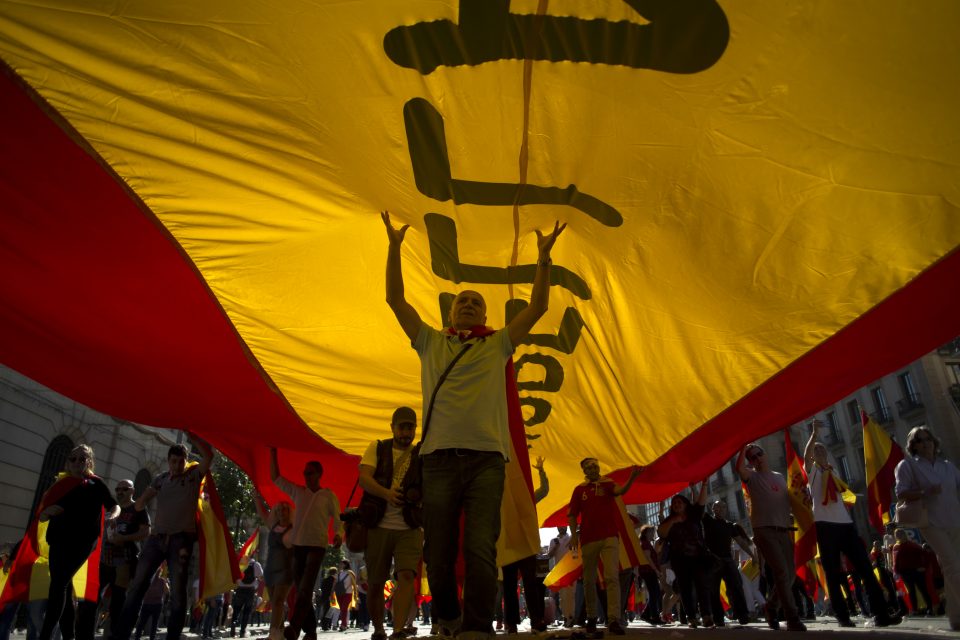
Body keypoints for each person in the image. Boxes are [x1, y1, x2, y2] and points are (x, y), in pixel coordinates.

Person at [381, 211, 566, 640]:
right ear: (450, 311)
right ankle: (448, 619)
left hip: (487, 462)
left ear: (484, 314)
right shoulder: (430, 341)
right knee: (438, 553)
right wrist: (394, 248)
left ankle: (478, 628)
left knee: (482, 548)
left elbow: (538, 307)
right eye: (462, 301)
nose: (468, 305)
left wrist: (543, 259)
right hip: (438, 462)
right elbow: (395, 300)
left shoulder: (497, 343)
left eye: (476, 302)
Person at [114, 436, 214, 640]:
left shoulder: (193, 475)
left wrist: (192, 434)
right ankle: (121, 634)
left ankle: (173, 636)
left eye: (180, 461)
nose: (176, 466)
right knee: (137, 586)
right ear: (168, 461)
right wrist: (142, 498)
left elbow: (209, 456)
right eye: (173, 461)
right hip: (156, 539)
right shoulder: (160, 479)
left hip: (181, 541)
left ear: (186, 461)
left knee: (177, 592)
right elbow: (140, 504)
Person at [802, 420, 900, 627]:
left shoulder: (834, 471)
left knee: (865, 568)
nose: (819, 451)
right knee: (832, 573)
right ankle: (842, 616)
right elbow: (806, 455)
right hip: (825, 525)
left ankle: (881, 614)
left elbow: (842, 495)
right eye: (816, 450)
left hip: (845, 524)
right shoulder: (813, 472)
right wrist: (814, 435)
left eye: (822, 449)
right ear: (812, 457)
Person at [37, 444, 120, 640]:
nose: (76, 462)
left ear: (89, 462)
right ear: (68, 462)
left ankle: (45, 635)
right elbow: (41, 514)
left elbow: (113, 505)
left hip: (82, 543)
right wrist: (47, 512)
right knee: (62, 587)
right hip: (57, 540)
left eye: (82, 459)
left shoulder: (95, 483)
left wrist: (113, 515)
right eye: (73, 458)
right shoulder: (60, 484)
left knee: (58, 585)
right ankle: (69, 635)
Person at [358, 406, 423, 640]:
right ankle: (379, 629)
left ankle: (397, 630)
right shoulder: (377, 448)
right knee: (376, 583)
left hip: (410, 527)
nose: (406, 432)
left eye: (410, 428)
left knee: (407, 576)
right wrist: (387, 494)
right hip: (378, 526)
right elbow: (364, 478)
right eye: (402, 427)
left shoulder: (421, 454)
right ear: (392, 427)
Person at [270, 449, 343, 640]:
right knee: (302, 589)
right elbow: (276, 478)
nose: (306, 476)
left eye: (309, 473)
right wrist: (272, 452)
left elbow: (338, 519)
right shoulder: (298, 491)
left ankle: (293, 628)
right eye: (304, 473)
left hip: (317, 546)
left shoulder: (328, 495)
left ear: (319, 474)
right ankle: (311, 632)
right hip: (298, 546)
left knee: (306, 586)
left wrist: (338, 534)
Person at [895, 425, 960, 630]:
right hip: (930, 522)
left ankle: (956, 617)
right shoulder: (908, 465)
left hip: (955, 520)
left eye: (928, 439)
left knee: (950, 568)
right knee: (953, 565)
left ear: (934, 441)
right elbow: (901, 492)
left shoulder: (947, 466)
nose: (925, 443)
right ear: (913, 446)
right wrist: (925, 492)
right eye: (919, 440)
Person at [736, 443, 806, 632]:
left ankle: (771, 607)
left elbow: (789, 501)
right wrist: (743, 446)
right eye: (752, 457)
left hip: (784, 529)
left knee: (790, 575)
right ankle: (792, 618)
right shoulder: (751, 476)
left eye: (759, 454)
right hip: (764, 530)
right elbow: (739, 468)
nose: (757, 458)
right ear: (750, 462)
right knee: (781, 572)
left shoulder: (780, 477)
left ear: (765, 454)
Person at [567, 457, 641, 635]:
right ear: (584, 471)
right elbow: (572, 514)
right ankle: (591, 617)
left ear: (598, 467)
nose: (592, 469)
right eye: (588, 467)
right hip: (588, 539)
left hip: (609, 537)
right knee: (589, 580)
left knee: (612, 577)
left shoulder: (608, 484)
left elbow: (620, 491)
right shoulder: (579, 490)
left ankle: (613, 619)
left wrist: (632, 478)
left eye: (594, 466)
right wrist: (574, 535)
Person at [500, 456, 550, 635]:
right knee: (509, 586)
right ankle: (511, 623)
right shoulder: (500, 499)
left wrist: (541, 471)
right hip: (508, 545)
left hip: (526, 546)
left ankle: (536, 620)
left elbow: (544, 490)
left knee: (531, 584)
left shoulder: (528, 498)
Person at [658, 483, 714, 628]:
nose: (677, 505)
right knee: (685, 589)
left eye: (679, 502)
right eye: (674, 503)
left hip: (699, 558)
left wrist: (704, 484)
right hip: (680, 561)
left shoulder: (694, 516)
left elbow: (701, 502)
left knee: (702, 587)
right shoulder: (669, 520)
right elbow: (661, 533)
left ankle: (706, 616)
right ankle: (691, 618)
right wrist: (673, 521)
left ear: (685, 504)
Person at [101, 479, 150, 639]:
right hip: (105, 559)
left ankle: (116, 634)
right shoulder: (113, 509)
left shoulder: (138, 508)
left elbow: (145, 532)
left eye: (124, 489)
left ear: (132, 491)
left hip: (125, 561)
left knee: (118, 599)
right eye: (117, 489)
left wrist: (124, 538)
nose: (120, 492)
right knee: (93, 597)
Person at [702, 499, 754, 626]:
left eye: (723, 507)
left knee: (736, 587)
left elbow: (741, 542)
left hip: (728, 560)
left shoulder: (730, 526)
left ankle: (743, 615)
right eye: (717, 507)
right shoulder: (708, 520)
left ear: (726, 510)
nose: (720, 509)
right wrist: (695, 490)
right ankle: (718, 618)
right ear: (713, 509)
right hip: (713, 561)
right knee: (713, 591)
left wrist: (753, 555)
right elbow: (700, 505)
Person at [254, 495, 295, 640]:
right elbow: (262, 513)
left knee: (278, 601)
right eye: (278, 510)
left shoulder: (294, 529)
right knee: (275, 602)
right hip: (270, 570)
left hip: (286, 570)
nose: (281, 512)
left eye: (284, 509)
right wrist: (257, 498)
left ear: (289, 512)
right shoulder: (273, 526)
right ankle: (280, 633)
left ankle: (273, 633)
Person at [546, 527, 573, 627]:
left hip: (570, 570)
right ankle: (565, 617)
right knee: (562, 596)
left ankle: (571, 616)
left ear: (566, 526)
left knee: (570, 594)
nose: (561, 527)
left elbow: (575, 553)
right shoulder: (553, 541)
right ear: (557, 527)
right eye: (559, 526)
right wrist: (555, 547)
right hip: (559, 571)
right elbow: (549, 555)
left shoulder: (571, 538)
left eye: (563, 526)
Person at [231, 557, 263, 638]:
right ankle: (242, 632)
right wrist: (257, 580)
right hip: (250, 591)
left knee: (237, 609)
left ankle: (234, 622)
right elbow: (261, 577)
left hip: (240, 589)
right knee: (247, 611)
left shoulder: (239, 563)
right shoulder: (256, 564)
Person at [132, 567, 168, 640]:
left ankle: (137, 637)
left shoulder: (147, 580)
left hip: (146, 603)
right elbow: (167, 591)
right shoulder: (162, 581)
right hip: (157, 604)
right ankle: (152, 638)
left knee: (142, 622)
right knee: (154, 623)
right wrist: (166, 583)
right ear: (160, 572)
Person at [333, 561, 356, 632]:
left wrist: (355, 594)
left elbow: (354, 583)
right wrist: (332, 592)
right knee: (342, 609)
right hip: (339, 593)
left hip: (348, 593)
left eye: (342, 564)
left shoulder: (350, 573)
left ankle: (343, 625)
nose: (340, 565)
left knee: (344, 609)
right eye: (340, 564)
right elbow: (335, 583)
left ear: (346, 565)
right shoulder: (339, 573)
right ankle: (344, 625)